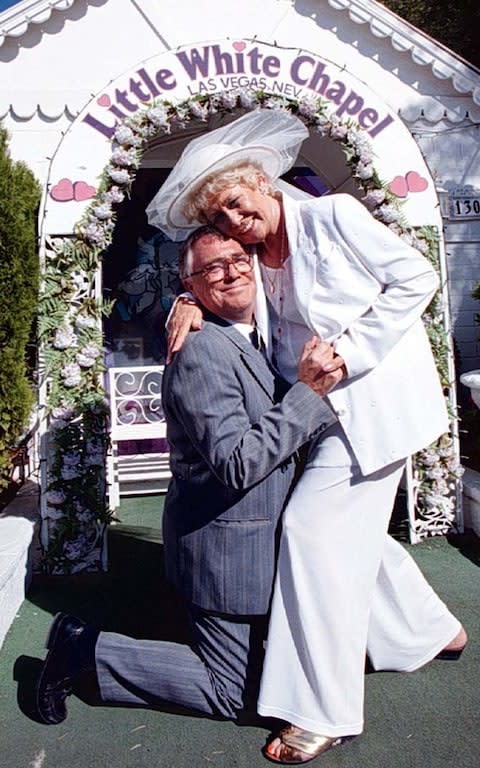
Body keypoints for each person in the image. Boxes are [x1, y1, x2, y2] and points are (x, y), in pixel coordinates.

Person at [146, 110, 467, 764]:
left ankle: (320, 708)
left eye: (238, 204)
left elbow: (418, 277)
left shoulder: (335, 218)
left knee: (312, 533)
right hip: (312, 415)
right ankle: (431, 631)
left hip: (371, 410)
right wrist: (188, 302)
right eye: (221, 219)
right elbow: (222, 290)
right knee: (352, 532)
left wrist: (351, 352)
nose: (234, 224)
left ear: (263, 183)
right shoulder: (250, 256)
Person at [32, 226, 342, 727]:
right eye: (211, 269)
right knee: (236, 693)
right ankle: (85, 650)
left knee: (295, 669)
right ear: (191, 284)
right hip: (230, 555)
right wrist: (309, 395)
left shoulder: (270, 331)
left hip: (277, 544)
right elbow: (237, 462)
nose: (231, 272)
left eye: (239, 259)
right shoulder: (201, 352)